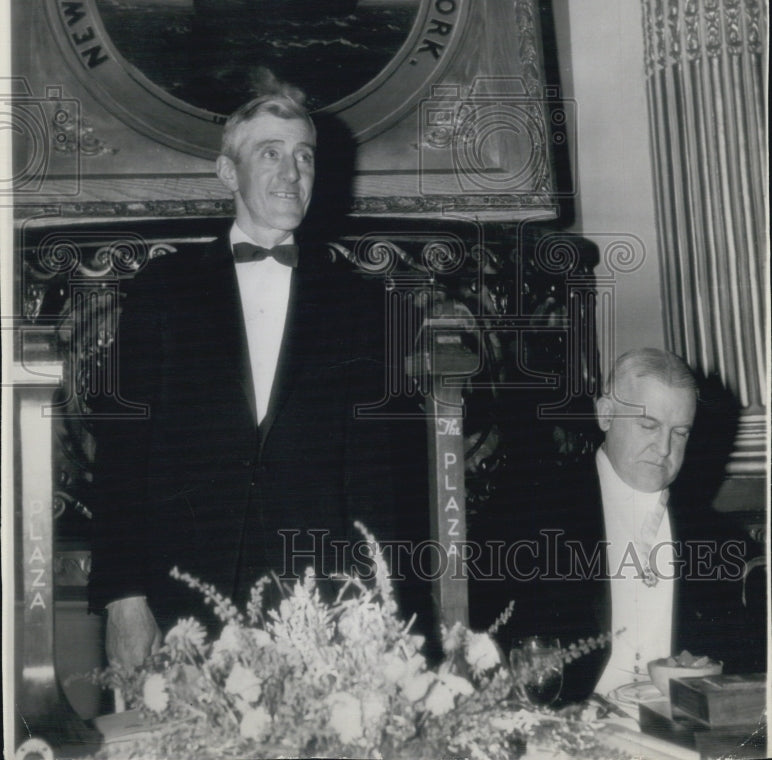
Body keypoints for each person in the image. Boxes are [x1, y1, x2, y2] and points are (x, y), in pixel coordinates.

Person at [88, 72, 427, 668]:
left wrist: (376, 605)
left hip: (319, 608)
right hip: (178, 606)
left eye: (304, 157)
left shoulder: (360, 300)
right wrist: (123, 598)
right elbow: (122, 454)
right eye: (270, 153)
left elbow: (376, 475)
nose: (291, 173)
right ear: (228, 173)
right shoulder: (162, 290)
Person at [471, 348, 759, 701]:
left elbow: (744, 666)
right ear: (605, 414)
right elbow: (477, 647)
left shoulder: (720, 541)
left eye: (680, 433)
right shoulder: (527, 513)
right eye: (648, 426)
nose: (664, 448)